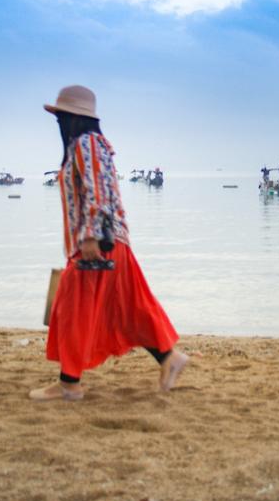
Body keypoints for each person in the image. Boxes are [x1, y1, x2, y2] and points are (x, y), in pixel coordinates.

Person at [31, 85, 188, 402]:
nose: (57, 120)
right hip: (114, 241)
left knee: (72, 310)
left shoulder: (86, 144)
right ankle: (169, 357)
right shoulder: (92, 144)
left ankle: (69, 385)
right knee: (128, 308)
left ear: (71, 116)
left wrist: (89, 234)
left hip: (99, 241)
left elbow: (97, 189)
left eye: (60, 114)